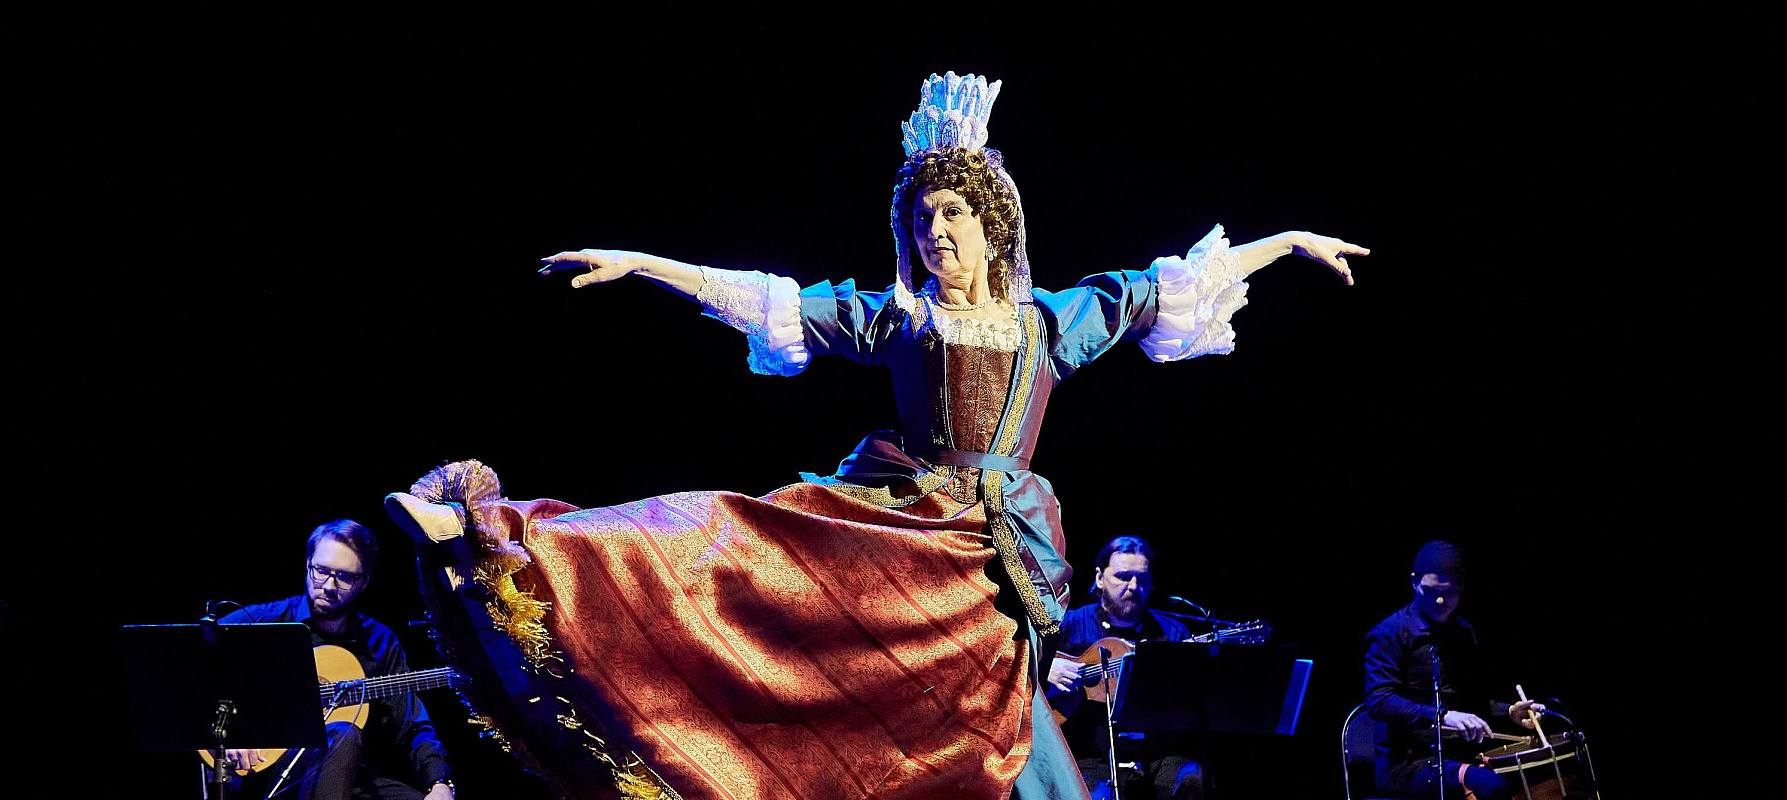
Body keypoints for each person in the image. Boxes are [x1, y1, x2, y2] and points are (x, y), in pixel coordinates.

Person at [385, 71, 1367, 800]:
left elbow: (1173, 286)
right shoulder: (902, 322)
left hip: (1000, 559)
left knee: (1007, 727)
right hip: (903, 535)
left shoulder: (1051, 323)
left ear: (992, 225)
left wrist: (1285, 242)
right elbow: (766, 299)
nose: (935, 230)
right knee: (725, 536)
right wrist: (644, 263)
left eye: (952, 213)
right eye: (922, 217)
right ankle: (498, 534)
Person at [219, 520, 455, 800]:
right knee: (343, 732)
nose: (329, 586)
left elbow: (412, 722)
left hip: (346, 776)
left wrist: (439, 782)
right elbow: (192, 670)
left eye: (344, 577)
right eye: (321, 571)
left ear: (364, 581)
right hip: (263, 773)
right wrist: (229, 734)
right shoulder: (263, 623)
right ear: (308, 564)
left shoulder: (379, 643)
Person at [1363, 541, 1544, 800]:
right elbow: (1379, 700)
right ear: (1414, 582)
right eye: (1431, 591)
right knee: (1490, 786)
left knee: (1531, 774)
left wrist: (1509, 712)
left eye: (1449, 592)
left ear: (1461, 586)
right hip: (1406, 765)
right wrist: (1443, 716)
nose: (1440, 600)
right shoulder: (1389, 634)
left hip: (1457, 756)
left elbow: (1469, 699)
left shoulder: (1462, 632)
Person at [1048, 537, 1202, 800]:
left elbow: (1190, 702)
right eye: (1122, 576)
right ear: (1100, 578)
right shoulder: (1069, 625)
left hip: (1156, 756)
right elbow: (1020, 663)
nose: (1133, 586)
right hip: (1087, 756)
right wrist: (1048, 667)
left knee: (1192, 780)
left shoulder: (1172, 632)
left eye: (1141, 579)